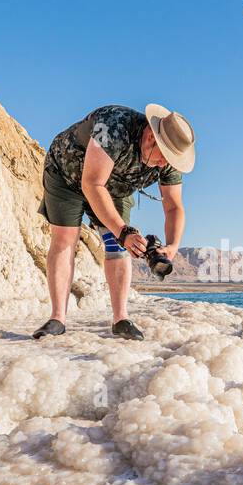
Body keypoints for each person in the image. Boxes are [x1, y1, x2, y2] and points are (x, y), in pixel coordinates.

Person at [32, 103, 194, 340]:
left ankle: (121, 319)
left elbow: (173, 206)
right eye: (164, 156)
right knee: (66, 237)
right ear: (151, 136)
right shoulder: (114, 126)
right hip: (67, 174)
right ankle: (57, 319)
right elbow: (92, 183)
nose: (164, 164)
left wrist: (171, 246)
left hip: (114, 188)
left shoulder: (169, 160)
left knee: (117, 247)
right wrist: (123, 230)